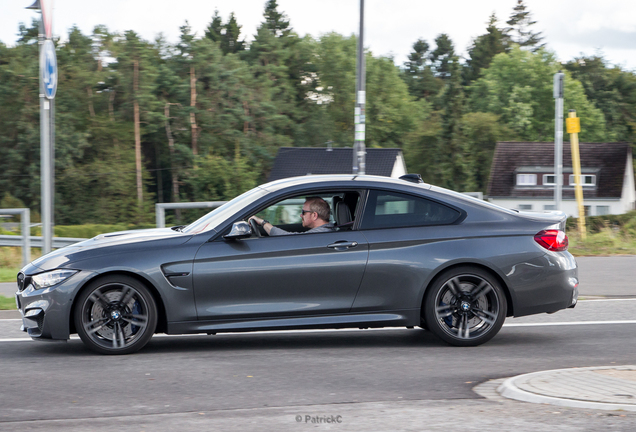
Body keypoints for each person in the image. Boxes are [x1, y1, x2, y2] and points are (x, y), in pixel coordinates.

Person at [249, 196, 335, 236]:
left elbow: (287, 238)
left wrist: (263, 222)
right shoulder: (324, 231)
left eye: (303, 212)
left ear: (314, 215)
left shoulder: (319, 235)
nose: (301, 215)